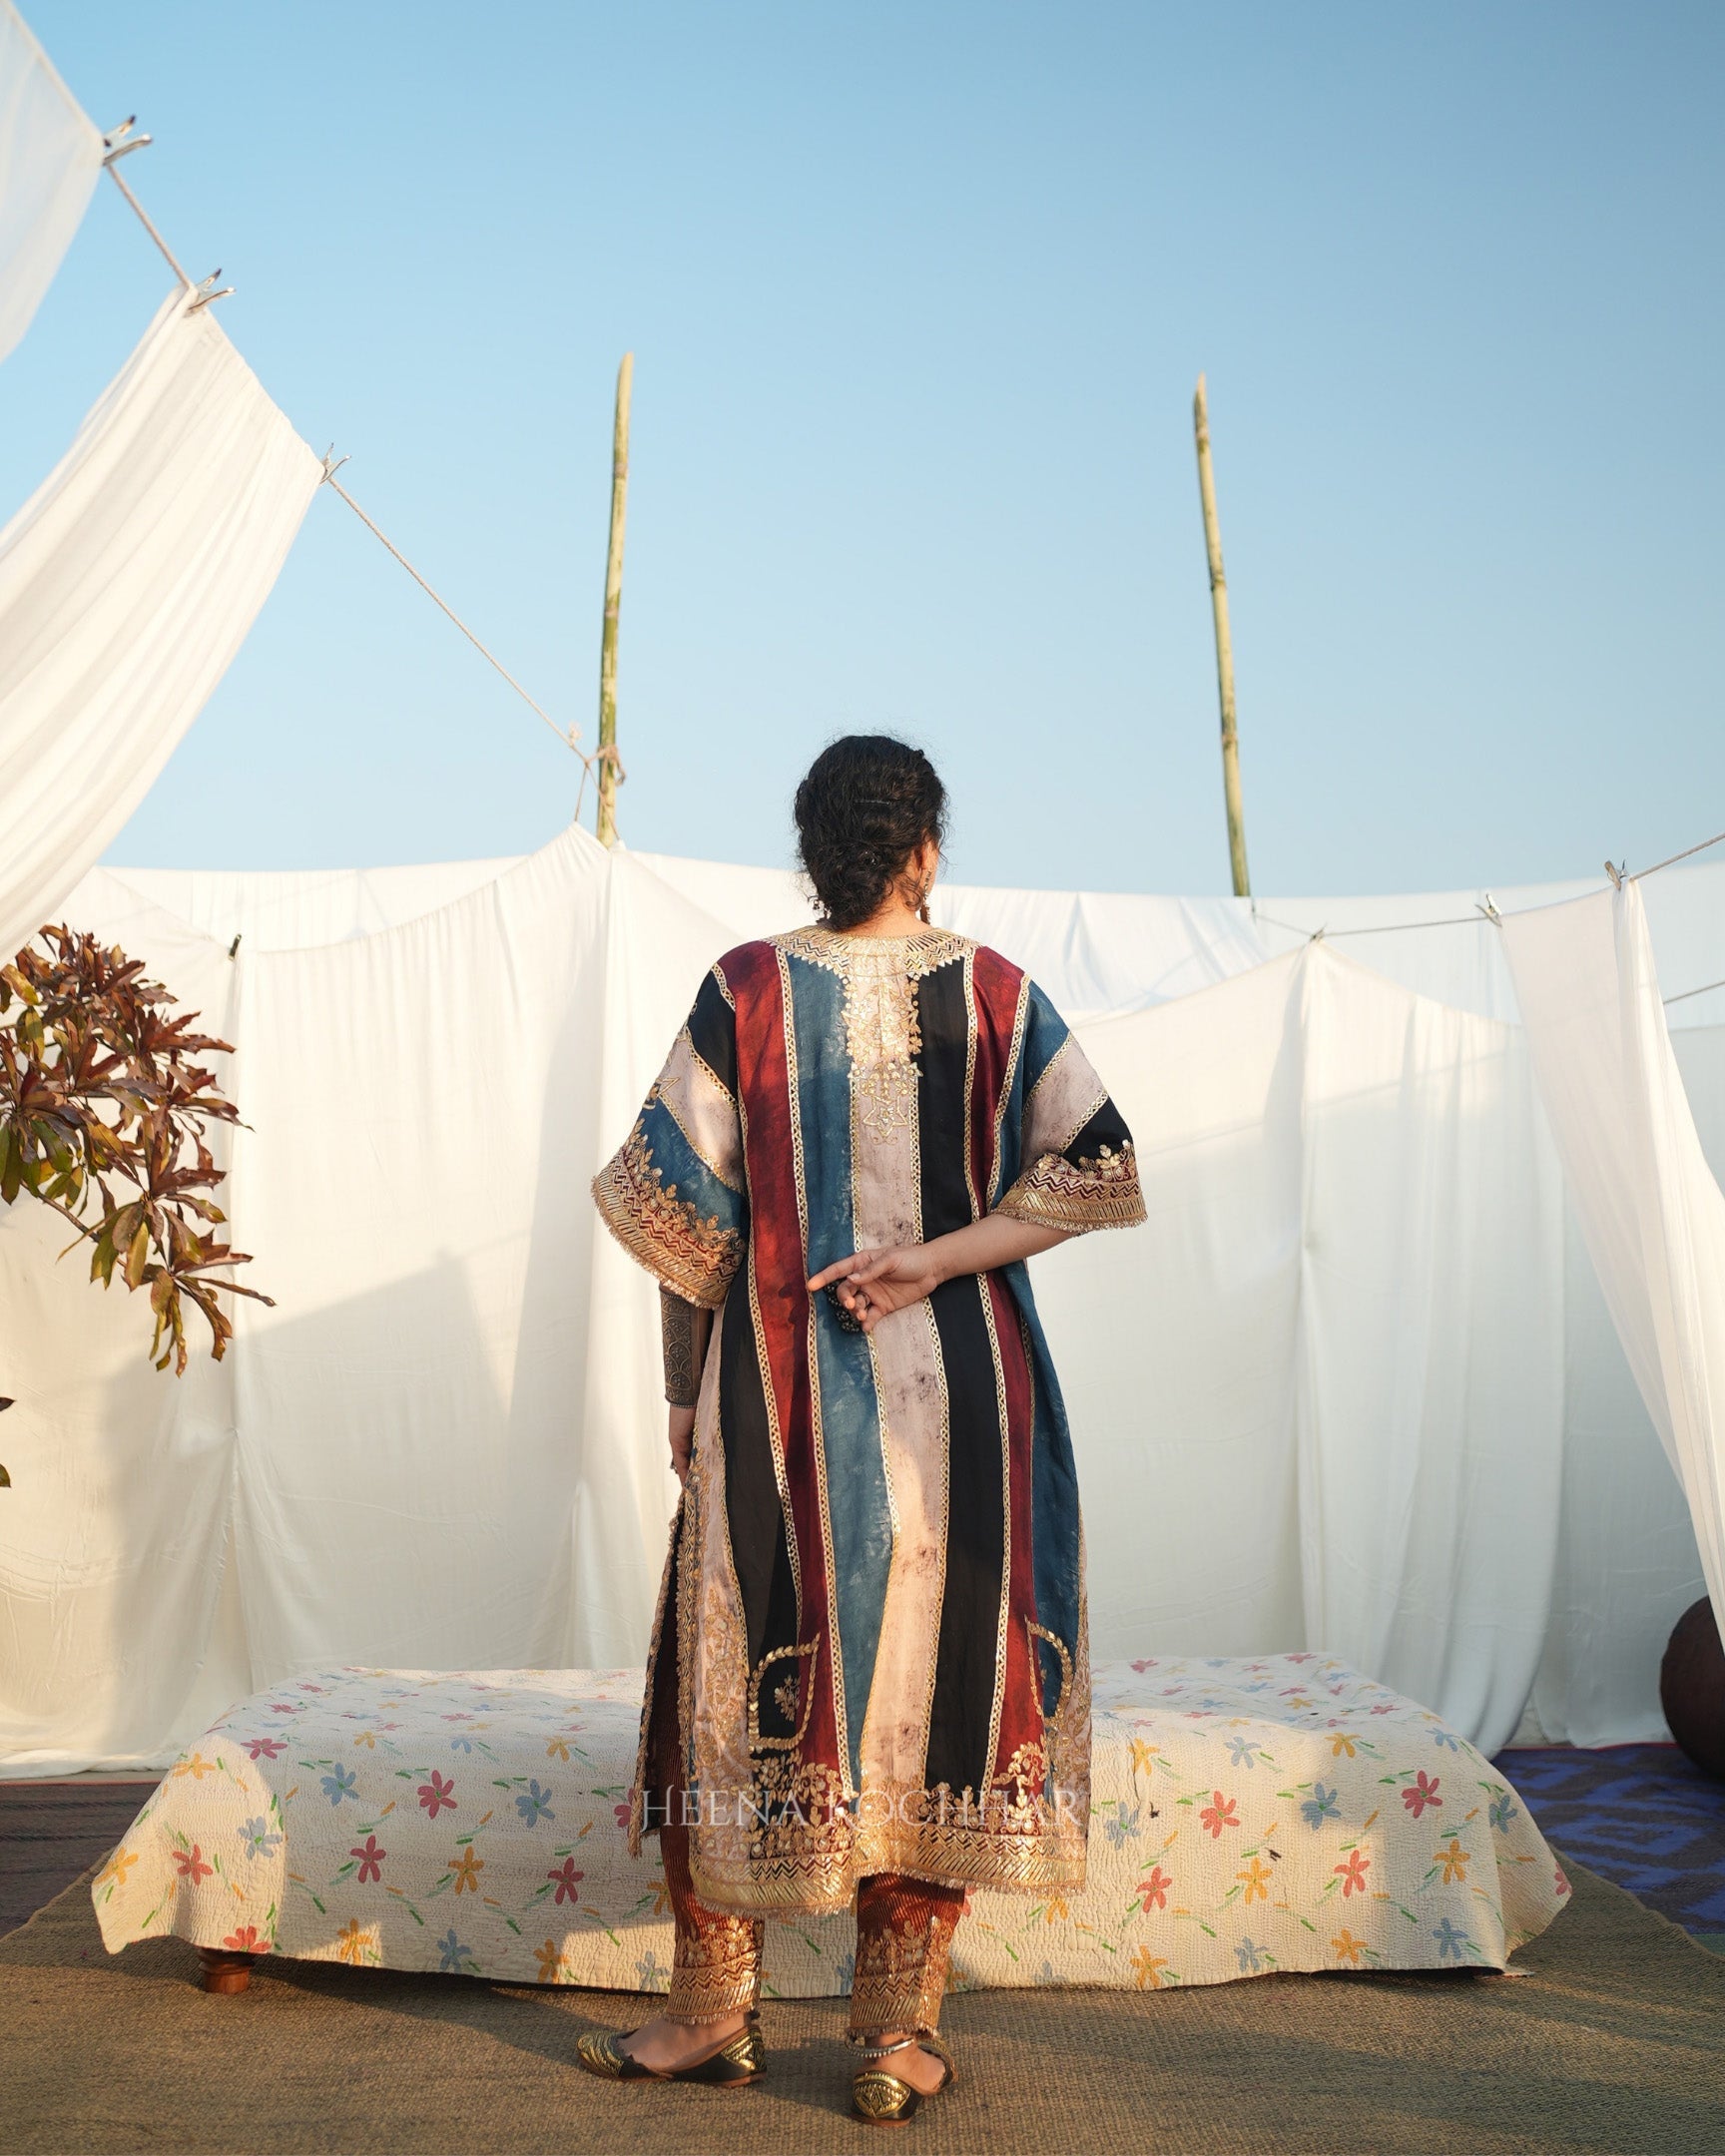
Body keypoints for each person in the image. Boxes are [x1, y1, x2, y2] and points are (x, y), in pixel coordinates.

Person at [581, 735, 1145, 2124]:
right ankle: (895, 2039)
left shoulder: (745, 990)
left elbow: (683, 1227)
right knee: (940, 1686)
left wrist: (678, 1396)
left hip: (775, 1402)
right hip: (973, 1404)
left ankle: (712, 2015)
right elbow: (1097, 1164)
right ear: (925, 850)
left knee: (738, 1676)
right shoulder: (997, 994)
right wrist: (936, 1261)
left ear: (812, 852)